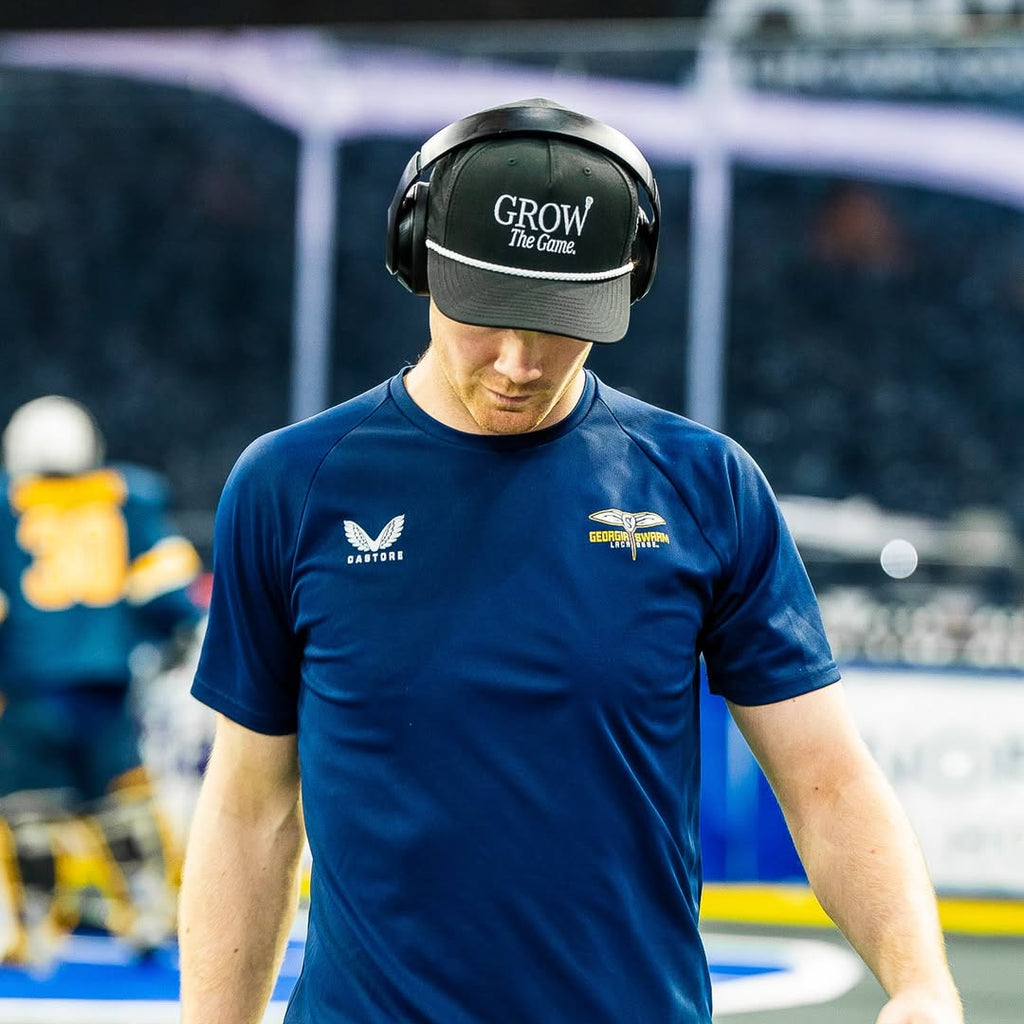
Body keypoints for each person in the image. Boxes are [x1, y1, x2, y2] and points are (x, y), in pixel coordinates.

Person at [178, 98, 963, 1024]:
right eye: (487, 314)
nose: (520, 362)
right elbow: (251, 811)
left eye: (557, 321)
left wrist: (921, 981)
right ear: (416, 258)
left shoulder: (705, 488)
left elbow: (828, 785)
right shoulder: (291, 488)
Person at [0, 394, 204, 967]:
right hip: (106, 687)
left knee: (30, 812)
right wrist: (175, 635)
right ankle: (149, 910)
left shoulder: (6, 504)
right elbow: (166, 590)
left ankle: (36, 926)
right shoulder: (128, 496)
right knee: (125, 806)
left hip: (30, 689)